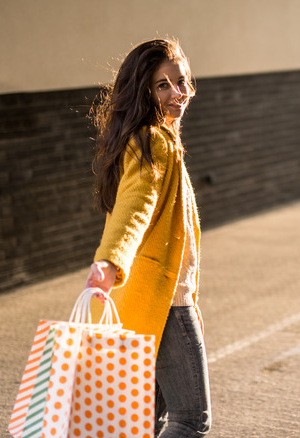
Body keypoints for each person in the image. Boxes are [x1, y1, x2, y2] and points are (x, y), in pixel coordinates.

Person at [84, 38, 211, 438]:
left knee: (143, 422)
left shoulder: (153, 137)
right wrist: (109, 262)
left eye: (184, 81)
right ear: (144, 91)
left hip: (143, 303)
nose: (180, 93)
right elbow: (134, 208)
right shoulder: (153, 140)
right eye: (164, 85)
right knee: (190, 420)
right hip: (165, 302)